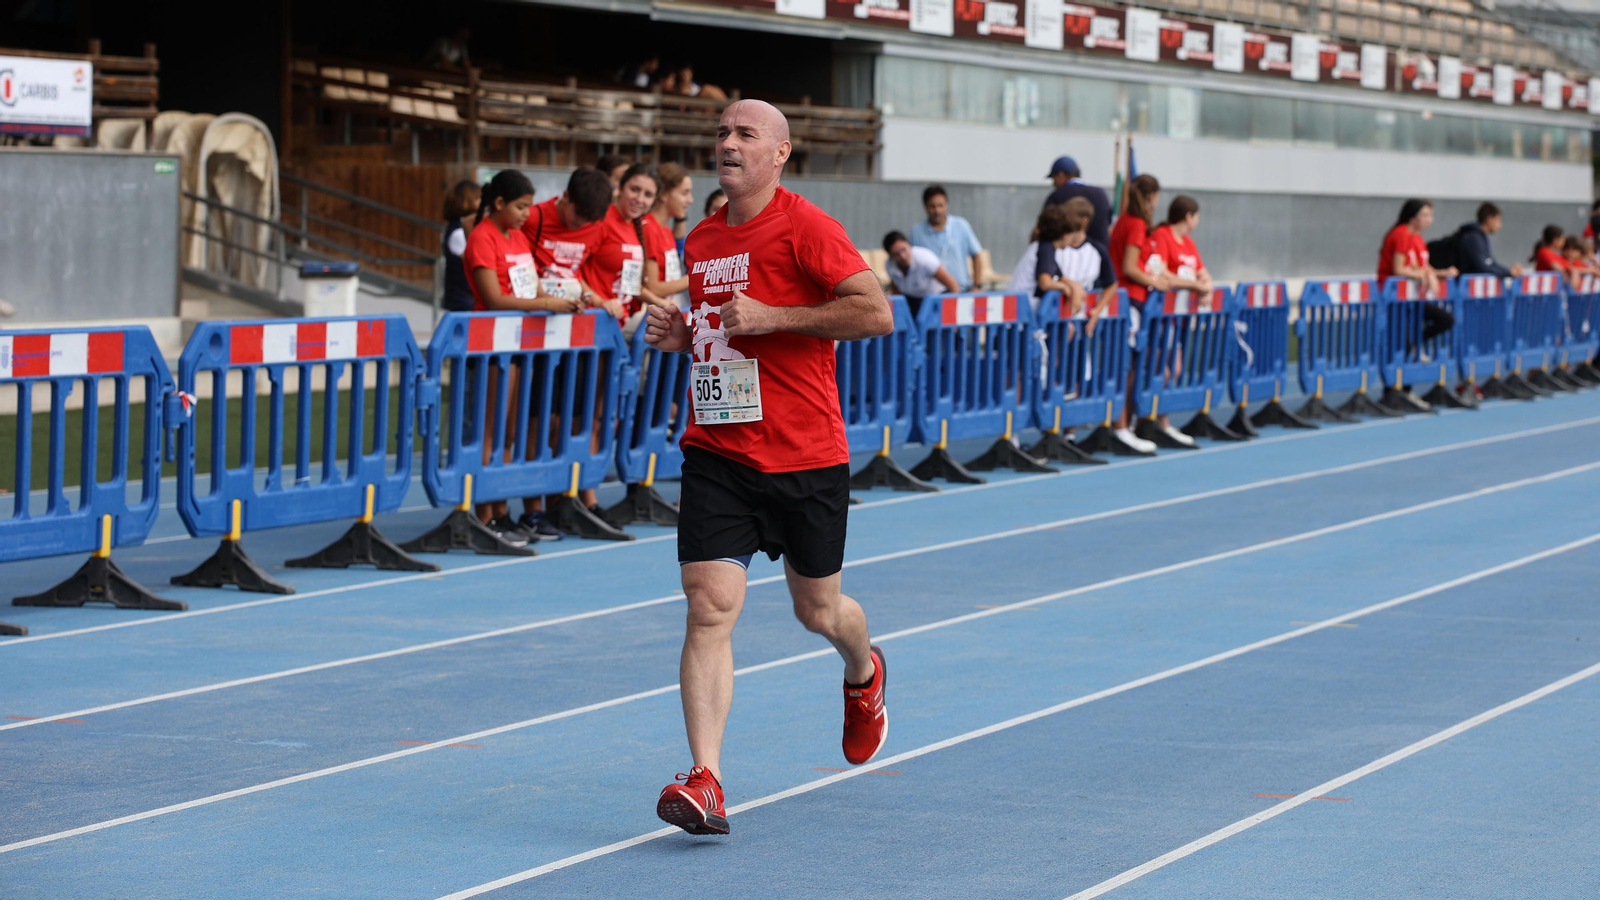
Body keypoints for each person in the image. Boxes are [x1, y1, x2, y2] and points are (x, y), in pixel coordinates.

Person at [643, 99, 892, 837]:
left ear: (779, 153)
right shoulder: (703, 237)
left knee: (819, 611)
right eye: (721, 132)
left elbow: (875, 313)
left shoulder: (808, 227)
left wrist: (777, 318)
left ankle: (863, 672)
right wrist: (684, 333)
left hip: (807, 453)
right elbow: (724, 331)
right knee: (708, 603)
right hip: (718, 450)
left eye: (744, 134)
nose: (727, 143)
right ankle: (706, 778)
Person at [460, 170, 583, 547]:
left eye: (529, 207)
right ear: (498, 204)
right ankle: (484, 515)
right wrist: (547, 303)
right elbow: (494, 299)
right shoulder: (483, 238)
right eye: (520, 207)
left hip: (519, 348)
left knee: (509, 433)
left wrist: (568, 294)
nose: (527, 215)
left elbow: (530, 283)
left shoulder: (514, 238)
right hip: (492, 347)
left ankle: (501, 512)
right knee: (490, 432)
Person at [516, 166, 615, 540]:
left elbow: (582, 275)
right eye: (577, 217)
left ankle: (560, 501)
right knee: (536, 421)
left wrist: (595, 298)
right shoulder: (536, 218)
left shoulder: (596, 225)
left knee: (569, 420)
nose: (580, 227)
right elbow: (520, 271)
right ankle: (532, 509)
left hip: (575, 338)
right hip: (537, 337)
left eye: (589, 222)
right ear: (565, 198)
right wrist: (549, 296)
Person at [1107, 173, 1166, 452]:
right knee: (1125, 366)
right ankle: (1120, 426)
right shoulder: (1136, 225)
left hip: (1127, 300)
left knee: (1125, 364)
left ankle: (1122, 424)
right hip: (1130, 300)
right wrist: (1155, 281)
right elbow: (1130, 267)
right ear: (1150, 197)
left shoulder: (1124, 222)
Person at [582, 162, 661, 328]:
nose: (639, 199)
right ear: (620, 188)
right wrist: (599, 301)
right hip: (592, 319)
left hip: (616, 322)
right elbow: (572, 270)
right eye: (634, 189)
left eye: (647, 194)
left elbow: (629, 282)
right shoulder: (602, 220)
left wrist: (659, 302)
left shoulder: (634, 227)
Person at [1378, 198, 1457, 298]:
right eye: (1425, 215)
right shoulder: (1401, 234)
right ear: (1412, 216)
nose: (1429, 220)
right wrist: (1428, 275)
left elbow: (1419, 267)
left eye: (1431, 216)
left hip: (1407, 292)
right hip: (1392, 292)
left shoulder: (1415, 237)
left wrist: (1440, 273)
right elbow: (1399, 269)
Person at [909, 185, 984, 291]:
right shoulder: (916, 232)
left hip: (960, 291)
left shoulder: (961, 226)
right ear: (925, 207)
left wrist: (977, 285)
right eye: (932, 206)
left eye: (940, 205)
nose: (937, 210)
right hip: (930, 294)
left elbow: (976, 255)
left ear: (947, 205)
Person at [643, 163, 695, 310]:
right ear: (664, 194)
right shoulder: (648, 228)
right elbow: (653, 287)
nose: (690, 200)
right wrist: (697, 277)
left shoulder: (665, 230)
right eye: (684, 193)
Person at [883, 230, 959, 315]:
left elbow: (953, 285)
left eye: (904, 250)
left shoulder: (924, 259)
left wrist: (953, 315)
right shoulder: (889, 265)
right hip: (913, 301)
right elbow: (896, 285)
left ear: (909, 244)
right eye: (897, 254)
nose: (903, 256)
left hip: (936, 300)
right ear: (890, 256)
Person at [1044, 155, 1111, 247]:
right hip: (1098, 256)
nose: (1053, 184)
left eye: (1054, 179)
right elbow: (1109, 227)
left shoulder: (1057, 196)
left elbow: (1045, 229)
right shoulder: (1101, 194)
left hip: (1064, 257)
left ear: (1061, 175)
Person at [440, 179, 481, 312]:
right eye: (478, 199)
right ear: (466, 202)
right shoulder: (458, 231)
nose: (482, 203)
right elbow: (474, 264)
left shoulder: (459, 228)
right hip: (462, 301)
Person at [1454, 202, 1523, 279]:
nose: (1500, 225)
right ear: (1489, 219)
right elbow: (1483, 267)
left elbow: (1491, 263)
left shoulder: (1481, 237)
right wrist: (1508, 272)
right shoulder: (1473, 238)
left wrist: (1509, 271)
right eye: (1498, 220)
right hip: (1467, 288)